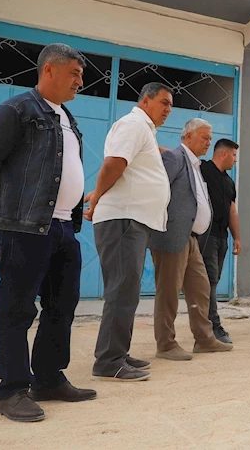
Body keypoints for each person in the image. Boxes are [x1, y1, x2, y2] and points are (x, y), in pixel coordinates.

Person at [0, 43, 96, 422]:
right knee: (16, 309)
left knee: (62, 305)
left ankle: (48, 379)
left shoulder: (67, 118)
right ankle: (11, 390)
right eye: (74, 73)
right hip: (23, 227)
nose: (80, 81)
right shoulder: (16, 111)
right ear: (49, 70)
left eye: (81, 75)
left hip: (63, 227)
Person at [85, 82, 173, 382]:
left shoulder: (144, 130)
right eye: (164, 102)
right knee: (122, 290)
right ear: (145, 101)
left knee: (127, 291)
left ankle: (118, 353)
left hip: (132, 220)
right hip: (123, 219)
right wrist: (97, 196)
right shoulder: (134, 124)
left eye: (170, 105)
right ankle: (109, 361)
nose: (168, 109)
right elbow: (114, 164)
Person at [148, 118, 232, 359]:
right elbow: (157, 190)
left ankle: (204, 339)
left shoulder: (195, 165)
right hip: (172, 236)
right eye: (204, 137)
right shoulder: (174, 158)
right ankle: (165, 344)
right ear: (188, 137)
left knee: (200, 288)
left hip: (192, 239)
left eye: (210, 138)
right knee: (168, 292)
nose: (208, 142)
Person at [199, 138, 241, 344]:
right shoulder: (202, 169)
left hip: (222, 238)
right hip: (205, 236)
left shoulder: (229, 182)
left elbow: (232, 211)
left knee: (212, 281)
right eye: (234, 155)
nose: (235, 160)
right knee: (209, 282)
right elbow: (175, 154)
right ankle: (214, 326)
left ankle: (205, 323)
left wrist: (237, 237)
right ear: (224, 154)